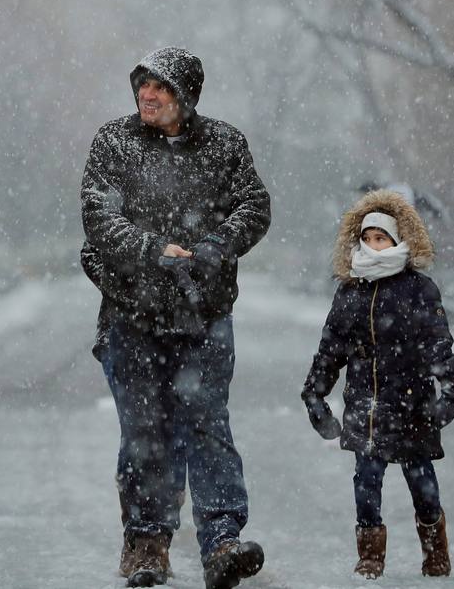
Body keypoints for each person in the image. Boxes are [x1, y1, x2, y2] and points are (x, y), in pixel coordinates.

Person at [81, 47, 272, 589]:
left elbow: (253, 207)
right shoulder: (113, 143)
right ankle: (146, 543)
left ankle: (222, 542)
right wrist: (152, 252)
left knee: (209, 426)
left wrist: (215, 245)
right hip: (132, 316)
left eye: (160, 87)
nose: (148, 94)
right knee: (146, 432)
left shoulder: (225, 145)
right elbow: (99, 218)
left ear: (186, 96)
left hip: (204, 314)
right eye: (143, 84)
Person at [301, 189, 454, 579]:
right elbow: (331, 349)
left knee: (423, 487)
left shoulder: (419, 289)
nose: (373, 246)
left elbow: (439, 349)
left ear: (397, 241)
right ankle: (370, 559)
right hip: (366, 406)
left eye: (381, 238)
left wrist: (442, 405)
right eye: (367, 238)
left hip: (412, 407)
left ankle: (435, 552)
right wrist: (315, 394)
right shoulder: (350, 291)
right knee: (366, 484)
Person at [80, 241, 189, 580]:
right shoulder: (125, 195)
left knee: (172, 434)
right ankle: (143, 539)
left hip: (184, 329)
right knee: (141, 430)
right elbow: (91, 252)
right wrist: (135, 287)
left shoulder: (195, 198)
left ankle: (156, 539)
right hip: (125, 330)